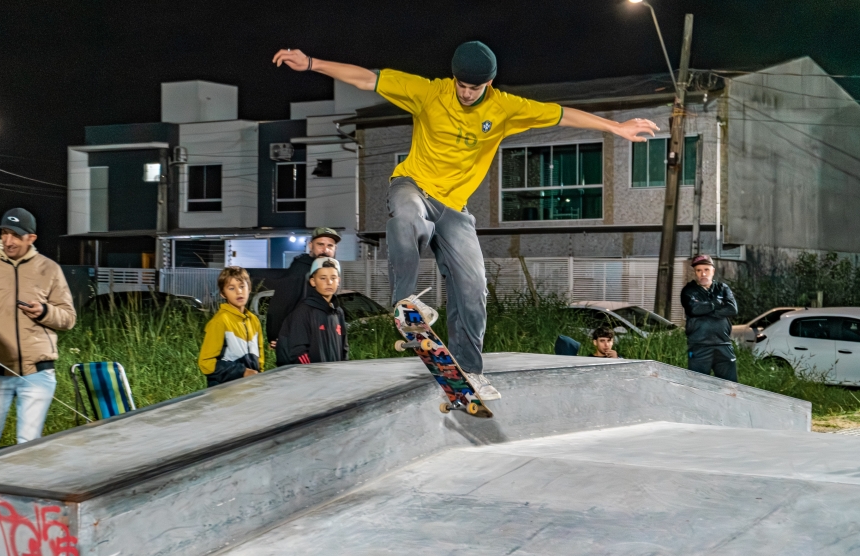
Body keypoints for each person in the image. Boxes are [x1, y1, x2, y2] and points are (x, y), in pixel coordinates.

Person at [273, 42, 658, 400]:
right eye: (461, 85)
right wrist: (311, 63)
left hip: (455, 210)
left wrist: (616, 128)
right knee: (407, 215)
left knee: (473, 287)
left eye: (474, 88)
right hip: (413, 186)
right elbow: (367, 78)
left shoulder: (506, 107)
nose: (466, 93)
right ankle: (405, 305)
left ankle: (469, 371)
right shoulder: (429, 92)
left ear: (489, 84)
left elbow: (561, 115)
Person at [0, 209, 76, 456]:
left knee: (28, 449)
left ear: (31, 238)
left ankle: (24, 495)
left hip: (38, 374)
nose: (8, 241)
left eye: (16, 236)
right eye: (5, 233)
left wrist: (44, 311)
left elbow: (68, 318)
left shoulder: (49, 269)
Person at [266, 227, 340, 349]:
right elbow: (280, 305)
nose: (325, 250)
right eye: (320, 244)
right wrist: (276, 336)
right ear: (311, 246)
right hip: (301, 342)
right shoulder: (300, 271)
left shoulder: (330, 271)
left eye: (330, 246)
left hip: (322, 338)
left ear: (335, 249)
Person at [199, 266, 265, 387]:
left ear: (249, 288)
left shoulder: (254, 320)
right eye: (231, 288)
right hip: (226, 393)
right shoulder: (220, 321)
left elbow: (260, 357)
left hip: (250, 390)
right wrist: (242, 372)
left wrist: (259, 375)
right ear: (223, 294)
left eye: (242, 286)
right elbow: (206, 363)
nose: (238, 292)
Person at [277, 257, 349, 366]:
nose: (329, 282)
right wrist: (313, 374)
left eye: (333, 278)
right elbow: (298, 351)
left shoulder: (338, 312)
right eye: (323, 278)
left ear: (338, 281)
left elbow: (344, 348)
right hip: (313, 379)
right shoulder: (303, 311)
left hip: (335, 377)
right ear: (313, 281)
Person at [681, 254, 738, 382]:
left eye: (706, 269)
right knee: (698, 387)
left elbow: (732, 309)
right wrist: (717, 304)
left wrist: (706, 309)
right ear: (695, 273)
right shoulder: (689, 291)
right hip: (699, 347)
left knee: (729, 387)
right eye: (699, 270)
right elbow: (694, 309)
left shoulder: (723, 288)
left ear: (713, 271)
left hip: (723, 345)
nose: (703, 274)